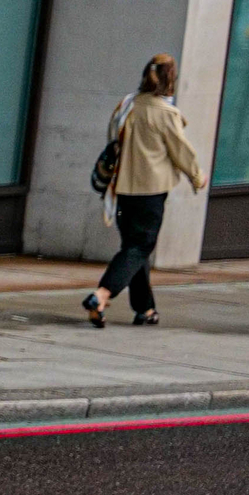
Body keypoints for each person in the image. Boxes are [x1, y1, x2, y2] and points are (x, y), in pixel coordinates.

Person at [86, 53, 205, 328]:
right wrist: (198, 177)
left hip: (122, 189)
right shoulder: (166, 113)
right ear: (171, 80)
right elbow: (181, 152)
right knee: (139, 247)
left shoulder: (127, 106)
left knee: (134, 248)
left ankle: (145, 309)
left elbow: (112, 141)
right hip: (150, 192)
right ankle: (101, 295)